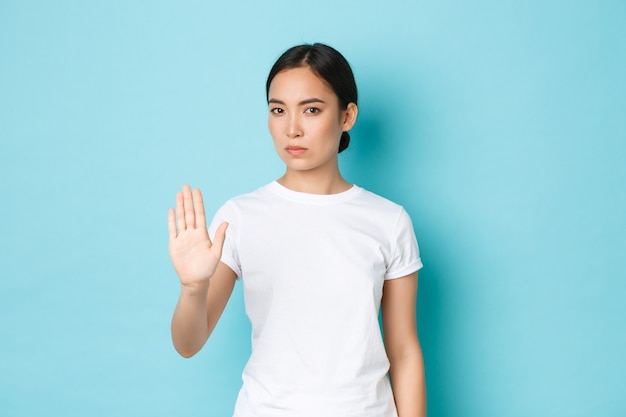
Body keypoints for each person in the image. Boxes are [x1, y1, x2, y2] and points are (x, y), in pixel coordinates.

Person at [168, 43, 426, 417]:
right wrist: (192, 287)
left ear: (347, 116)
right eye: (278, 110)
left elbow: (404, 351)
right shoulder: (240, 216)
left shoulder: (389, 221)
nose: (292, 129)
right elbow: (188, 344)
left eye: (311, 110)